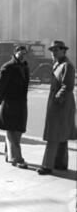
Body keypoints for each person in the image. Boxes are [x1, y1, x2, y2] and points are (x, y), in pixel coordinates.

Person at [37, 40, 76, 175]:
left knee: (54, 135)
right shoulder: (58, 64)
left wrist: (58, 99)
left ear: (63, 51)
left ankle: (47, 166)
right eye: (52, 50)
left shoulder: (67, 66)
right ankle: (61, 164)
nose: (53, 52)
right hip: (59, 103)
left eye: (56, 50)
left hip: (62, 104)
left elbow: (68, 86)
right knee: (61, 135)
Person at [0, 45, 30, 169]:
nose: (22, 55)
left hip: (21, 102)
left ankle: (9, 155)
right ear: (15, 53)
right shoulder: (8, 66)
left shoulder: (25, 66)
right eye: (20, 53)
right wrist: (0, 97)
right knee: (12, 130)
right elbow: (0, 85)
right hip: (10, 102)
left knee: (17, 130)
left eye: (24, 53)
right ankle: (17, 158)